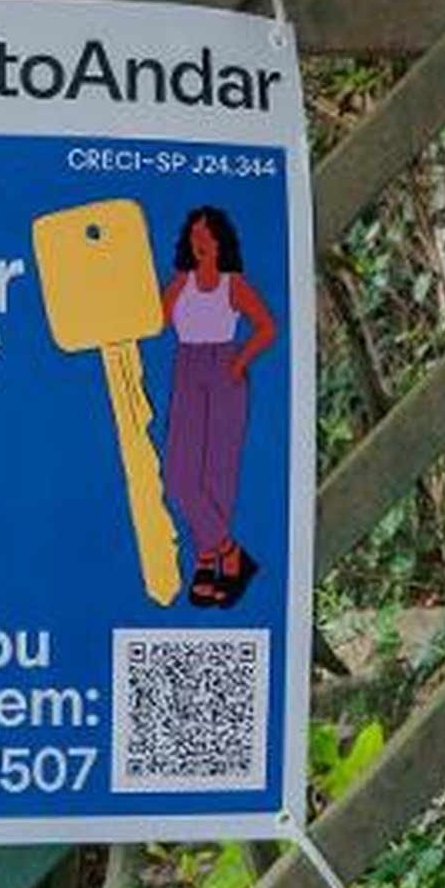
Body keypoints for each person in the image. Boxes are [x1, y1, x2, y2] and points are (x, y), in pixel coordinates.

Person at [161, 204, 279, 609]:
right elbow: (154, 321)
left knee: (217, 476)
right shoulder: (181, 283)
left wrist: (240, 361)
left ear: (220, 241)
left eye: (206, 238)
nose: (200, 245)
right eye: (194, 238)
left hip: (225, 372)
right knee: (179, 476)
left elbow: (267, 327)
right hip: (188, 370)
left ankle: (208, 563)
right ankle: (230, 553)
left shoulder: (234, 284)